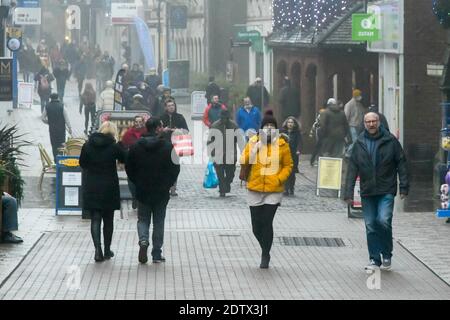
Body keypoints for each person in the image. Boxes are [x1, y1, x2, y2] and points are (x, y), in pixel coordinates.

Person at [344, 112, 409, 271]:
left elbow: (401, 163)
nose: (371, 124)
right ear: (364, 124)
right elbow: (352, 168)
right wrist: (348, 193)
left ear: (379, 122)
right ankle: (374, 259)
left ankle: (386, 253)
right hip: (367, 191)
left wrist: (404, 187)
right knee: (371, 225)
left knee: (383, 221)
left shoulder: (391, 141)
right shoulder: (359, 143)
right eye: (368, 122)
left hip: (386, 188)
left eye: (374, 121)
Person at [240, 111, 293, 269]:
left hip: (273, 189)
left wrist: (279, 178)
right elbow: (243, 160)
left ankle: (265, 254)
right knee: (256, 226)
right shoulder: (254, 141)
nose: (269, 128)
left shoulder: (282, 145)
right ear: (261, 128)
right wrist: (255, 149)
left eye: (272, 126)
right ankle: (265, 248)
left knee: (267, 221)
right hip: (255, 188)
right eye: (266, 126)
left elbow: (288, 165)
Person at [125, 118, 180, 264]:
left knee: (143, 219)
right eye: (161, 126)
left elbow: (129, 167)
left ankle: (143, 240)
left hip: (143, 189)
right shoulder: (168, 147)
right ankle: (156, 252)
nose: (162, 128)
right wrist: (169, 183)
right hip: (161, 190)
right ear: (157, 129)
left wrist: (137, 182)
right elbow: (176, 167)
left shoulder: (136, 147)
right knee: (159, 221)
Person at [80, 121, 126, 262]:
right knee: (108, 219)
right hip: (108, 186)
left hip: (92, 185)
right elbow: (125, 158)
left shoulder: (87, 145)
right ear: (113, 132)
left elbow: (82, 163)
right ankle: (107, 250)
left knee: (95, 218)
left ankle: (97, 250)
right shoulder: (114, 146)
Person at [207, 110, 243, 197]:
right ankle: (222, 190)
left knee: (230, 173)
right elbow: (210, 141)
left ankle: (227, 184)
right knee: (220, 174)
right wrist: (211, 153)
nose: (224, 120)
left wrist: (243, 151)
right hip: (218, 154)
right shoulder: (215, 126)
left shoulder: (233, 126)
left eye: (226, 118)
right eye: (222, 118)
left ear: (228, 118)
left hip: (230, 154)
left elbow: (240, 140)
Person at [161, 100, 189, 197]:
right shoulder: (161, 117)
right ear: (165, 107)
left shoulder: (180, 117)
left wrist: (179, 130)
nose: (171, 107)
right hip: (164, 145)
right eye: (169, 106)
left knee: (175, 167)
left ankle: (173, 188)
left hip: (176, 146)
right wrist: (163, 130)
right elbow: (156, 130)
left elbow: (186, 130)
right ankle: (165, 187)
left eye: (173, 105)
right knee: (164, 167)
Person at [121, 116, 148, 209]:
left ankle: (141, 198)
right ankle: (134, 197)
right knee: (131, 180)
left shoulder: (146, 132)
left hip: (144, 161)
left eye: (140, 121)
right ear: (134, 122)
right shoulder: (128, 133)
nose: (138, 123)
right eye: (136, 121)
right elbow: (124, 145)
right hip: (132, 161)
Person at [42, 93, 72, 162]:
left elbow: (43, 118)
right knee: (61, 144)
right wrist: (70, 128)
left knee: (54, 145)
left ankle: (55, 159)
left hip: (52, 129)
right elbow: (66, 118)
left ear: (50, 98)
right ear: (58, 98)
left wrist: (49, 122)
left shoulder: (47, 106)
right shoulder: (62, 106)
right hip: (61, 129)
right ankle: (61, 160)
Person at [281, 117, 302, 196]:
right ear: (286, 123)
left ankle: (291, 188)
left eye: (292, 122)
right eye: (289, 122)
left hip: (293, 155)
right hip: (284, 154)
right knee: (285, 172)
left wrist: (298, 150)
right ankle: (285, 189)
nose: (290, 124)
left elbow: (300, 142)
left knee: (292, 173)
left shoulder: (297, 133)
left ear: (294, 124)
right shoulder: (282, 131)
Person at [344, 89, 366, 157]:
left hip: (358, 125)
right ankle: (348, 153)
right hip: (352, 125)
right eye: (359, 95)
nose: (360, 97)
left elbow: (363, 113)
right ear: (356, 96)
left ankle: (350, 152)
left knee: (357, 141)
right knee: (355, 140)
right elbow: (346, 116)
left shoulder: (359, 104)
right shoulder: (349, 104)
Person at [309, 102, 327, 166]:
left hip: (319, 131)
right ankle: (319, 160)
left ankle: (313, 160)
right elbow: (317, 123)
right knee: (321, 146)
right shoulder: (325, 114)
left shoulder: (321, 113)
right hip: (322, 132)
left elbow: (315, 123)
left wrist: (312, 132)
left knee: (318, 146)